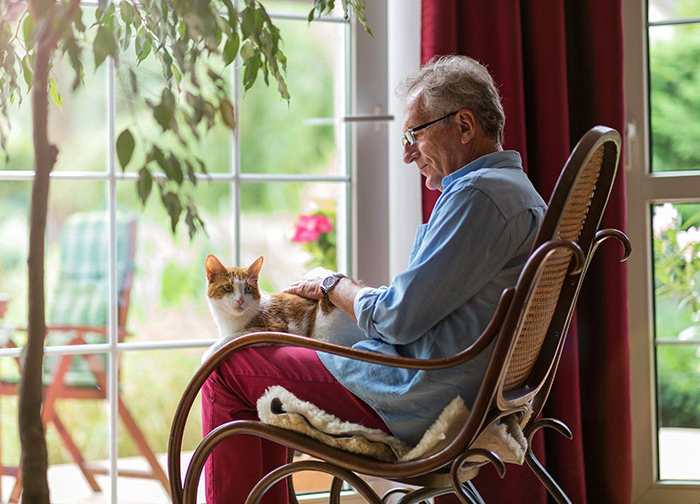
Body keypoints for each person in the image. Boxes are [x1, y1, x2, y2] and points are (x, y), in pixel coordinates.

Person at [200, 55, 547, 503]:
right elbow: (421, 307)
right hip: (447, 386)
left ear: (464, 126)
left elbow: (398, 319)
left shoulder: (478, 197)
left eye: (415, 134)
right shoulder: (518, 193)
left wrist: (331, 284)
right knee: (257, 358)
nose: (406, 152)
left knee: (227, 366)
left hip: (408, 395)